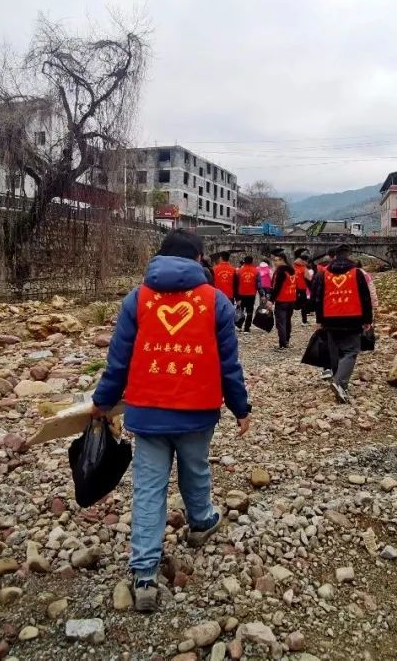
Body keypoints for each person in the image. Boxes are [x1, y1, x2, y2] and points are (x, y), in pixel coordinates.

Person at [90, 230, 251, 612]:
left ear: (160, 258)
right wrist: (240, 408)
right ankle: (200, 523)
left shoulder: (138, 298)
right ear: (198, 260)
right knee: (195, 469)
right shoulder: (217, 302)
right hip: (198, 409)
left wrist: (103, 401)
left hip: (147, 411)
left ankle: (144, 574)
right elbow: (229, 365)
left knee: (149, 486)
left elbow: (119, 359)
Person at [311, 244, 373, 403]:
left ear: (335, 256)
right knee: (351, 351)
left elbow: (317, 298)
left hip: (330, 317)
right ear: (349, 255)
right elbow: (365, 298)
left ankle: (338, 378)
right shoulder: (357, 273)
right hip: (353, 317)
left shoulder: (323, 274)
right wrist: (367, 320)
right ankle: (340, 383)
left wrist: (319, 320)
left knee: (335, 350)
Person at [267, 249, 297, 348]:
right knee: (288, 321)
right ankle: (287, 340)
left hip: (282, 300)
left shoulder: (280, 271)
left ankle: (282, 343)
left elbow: (277, 287)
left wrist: (271, 300)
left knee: (281, 322)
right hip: (291, 299)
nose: (275, 263)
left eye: (276, 260)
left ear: (282, 260)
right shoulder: (292, 270)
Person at [236, 256, 259, 333]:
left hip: (241, 293)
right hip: (251, 294)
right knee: (250, 310)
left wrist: (237, 297)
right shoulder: (256, 271)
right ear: (252, 262)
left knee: (241, 310)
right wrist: (262, 294)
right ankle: (247, 327)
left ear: (244, 262)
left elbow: (236, 284)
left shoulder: (239, 271)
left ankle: (239, 325)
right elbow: (258, 284)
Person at [293, 250, 311, 325]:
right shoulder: (304, 268)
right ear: (304, 261)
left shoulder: (293, 267)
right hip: (301, 289)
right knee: (304, 305)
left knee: (292, 304)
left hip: (293, 288)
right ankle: (304, 321)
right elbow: (309, 279)